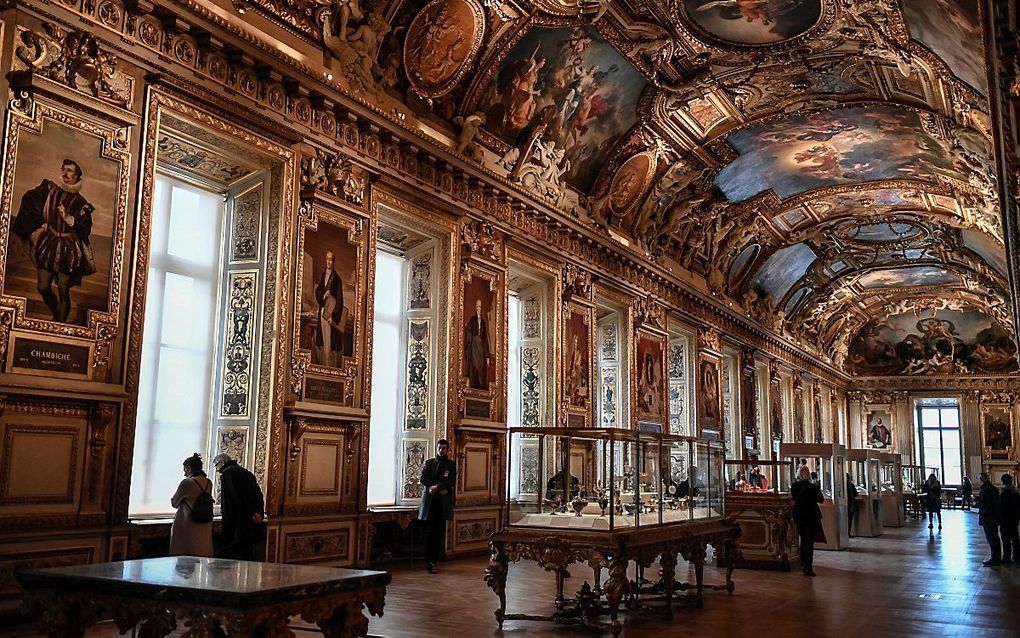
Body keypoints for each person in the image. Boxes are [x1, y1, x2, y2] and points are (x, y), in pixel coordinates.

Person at [11, 158, 96, 323]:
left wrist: (68, 218)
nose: (65, 173)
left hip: (68, 249)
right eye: (64, 169)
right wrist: (40, 222)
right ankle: (56, 313)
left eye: (69, 170)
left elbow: (85, 229)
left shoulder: (82, 203)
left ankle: (59, 325)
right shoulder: (51, 191)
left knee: (63, 289)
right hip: (49, 244)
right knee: (42, 287)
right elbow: (31, 200)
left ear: (77, 175)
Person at [213, 453, 265, 560]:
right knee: (247, 555)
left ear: (223, 462)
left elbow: (235, 497)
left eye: (216, 466)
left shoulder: (227, 473)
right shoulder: (246, 472)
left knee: (234, 557)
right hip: (251, 522)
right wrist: (257, 513)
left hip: (236, 523)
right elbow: (258, 495)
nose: (217, 470)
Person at [419, 438, 456, 573]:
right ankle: (428, 559)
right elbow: (423, 478)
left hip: (442, 502)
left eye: (444, 448)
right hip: (430, 502)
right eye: (439, 448)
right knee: (429, 531)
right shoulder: (429, 463)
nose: (441, 450)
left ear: (447, 449)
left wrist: (438, 487)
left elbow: (451, 480)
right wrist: (433, 487)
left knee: (439, 531)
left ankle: (434, 559)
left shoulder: (451, 465)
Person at [169, 453, 214, 557]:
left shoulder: (187, 483)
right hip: (204, 524)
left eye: (185, 470)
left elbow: (174, 503)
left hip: (188, 524)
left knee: (185, 557)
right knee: (201, 554)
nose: (184, 474)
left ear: (189, 468)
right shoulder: (208, 482)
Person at [314, 250, 345, 368]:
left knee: (329, 342)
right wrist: (323, 295)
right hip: (322, 312)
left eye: (331, 259)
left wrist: (334, 318)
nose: (328, 261)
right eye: (327, 259)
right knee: (323, 342)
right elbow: (319, 291)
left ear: (334, 261)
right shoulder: (323, 275)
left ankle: (329, 368)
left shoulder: (337, 279)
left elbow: (340, 300)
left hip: (331, 316)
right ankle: (323, 367)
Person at [791, 465, 823, 577]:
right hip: (811, 515)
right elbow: (821, 499)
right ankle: (808, 566)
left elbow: (793, 498)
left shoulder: (794, 486)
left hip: (798, 515)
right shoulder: (813, 487)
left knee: (803, 540)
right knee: (809, 542)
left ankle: (803, 563)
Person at [464, 298, 490, 390]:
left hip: (481, 348)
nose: (480, 308)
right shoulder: (472, 319)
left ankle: (481, 387)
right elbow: (468, 333)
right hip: (474, 347)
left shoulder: (483, 322)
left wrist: (487, 356)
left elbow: (485, 339)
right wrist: (467, 329)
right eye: (478, 306)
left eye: (481, 307)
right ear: (476, 308)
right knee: (474, 367)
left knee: (481, 368)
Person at [978, 472, 1001, 566]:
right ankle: (996, 557)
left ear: (981, 479)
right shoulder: (992, 488)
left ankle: (995, 558)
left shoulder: (986, 489)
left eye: (979, 479)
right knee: (994, 537)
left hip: (988, 517)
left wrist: (977, 502)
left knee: (992, 538)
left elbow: (985, 504)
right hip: (993, 517)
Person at [1000, 475, 1020, 564]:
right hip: (1014, 520)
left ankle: (1006, 557)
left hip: (1005, 520)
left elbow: (1001, 507)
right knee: (1015, 539)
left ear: (1002, 481)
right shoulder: (1015, 492)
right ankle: (1017, 556)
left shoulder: (1004, 493)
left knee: (1005, 540)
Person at [846, 472, 859, 538]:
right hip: (850, 504)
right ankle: (848, 533)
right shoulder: (851, 485)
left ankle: (844, 533)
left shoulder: (840, 485)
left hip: (844, 505)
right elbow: (856, 494)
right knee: (849, 519)